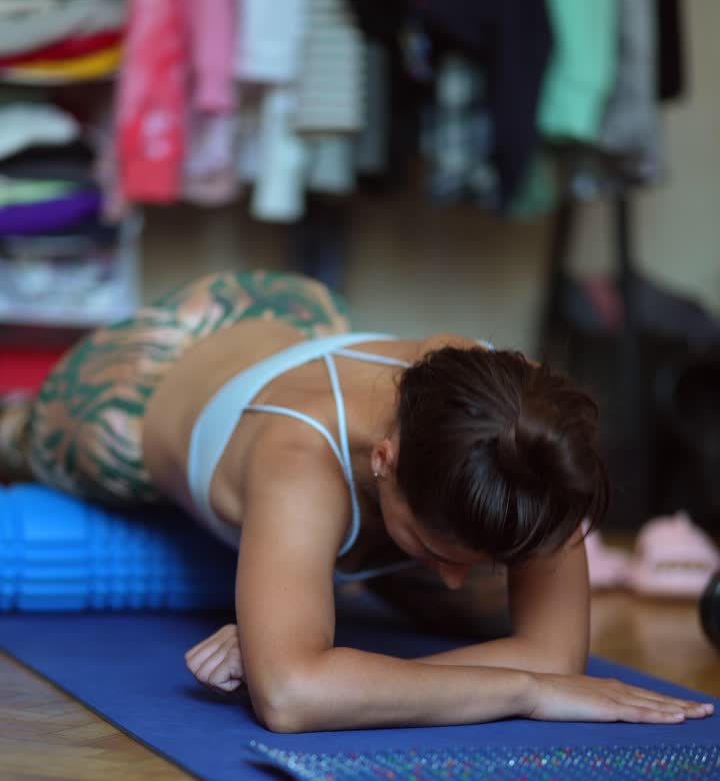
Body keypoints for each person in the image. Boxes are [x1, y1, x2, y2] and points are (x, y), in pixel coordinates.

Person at [0, 269, 712, 733]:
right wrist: (522, 689)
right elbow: (292, 697)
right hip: (142, 385)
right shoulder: (298, 456)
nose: (459, 576)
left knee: (450, 604)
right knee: (17, 438)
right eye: (435, 550)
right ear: (384, 461)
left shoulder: (520, 433)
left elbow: (556, 657)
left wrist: (335, 665)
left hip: (298, 319)